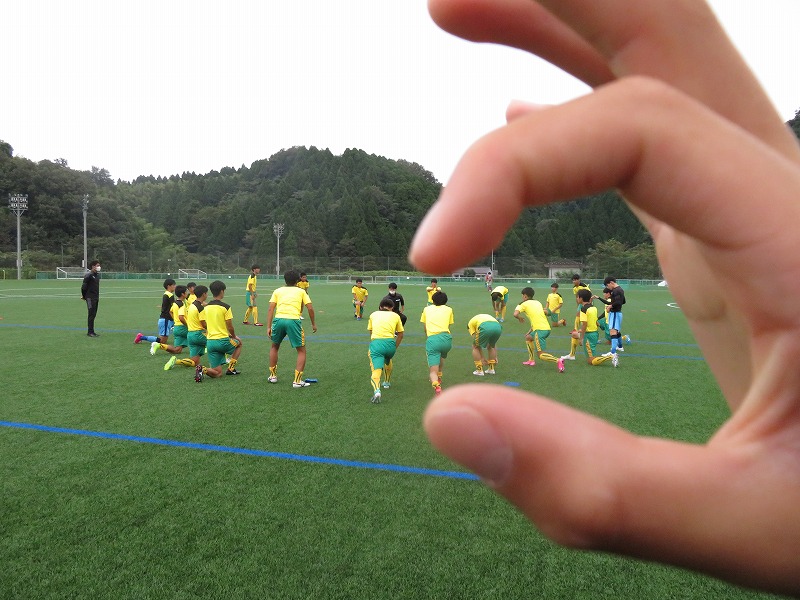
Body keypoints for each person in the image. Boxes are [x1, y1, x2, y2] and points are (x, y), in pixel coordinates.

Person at [411, 0, 800, 594]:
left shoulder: (576, 300)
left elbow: (540, 312)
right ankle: (594, 350)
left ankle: (595, 351)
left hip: (551, 326)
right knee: (584, 336)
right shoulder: (577, 298)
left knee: (587, 337)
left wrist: (567, 320)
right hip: (559, 324)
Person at [267, 269, 317, 388]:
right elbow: (310, 308)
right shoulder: (301, 291)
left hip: (278, 320)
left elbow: (271, 309)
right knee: (301, 351)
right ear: (297, 281)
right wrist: (313, 324)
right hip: (293, 321)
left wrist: (268, 326)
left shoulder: (277, 291)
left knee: (274, 347)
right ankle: (297, 381)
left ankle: (273, 376)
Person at [197, 279, 242, 379]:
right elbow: (230, 326)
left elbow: (203, 323)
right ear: (222, 291)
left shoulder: (205, 307)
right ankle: (231, 369)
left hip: (210, 343)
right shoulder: (226, 307)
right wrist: (234, 336)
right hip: (222, 341)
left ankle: (203, 369)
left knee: (217, 373)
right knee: (239, 344)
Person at [513, 287, 564, 372]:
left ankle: (558, 360)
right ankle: (531, 360)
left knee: (541, 355)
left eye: (522, 295)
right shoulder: (538, 302)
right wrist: (529, 331)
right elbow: (537, 318)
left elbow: (515, 314)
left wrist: (519, 318)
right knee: (528, 337)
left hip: (540, 331)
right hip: (546, 329)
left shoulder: (522, 304)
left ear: (525, 296)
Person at [367, 297, 404, 403]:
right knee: (388, 359)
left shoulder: (373, 314)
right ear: (392, 308)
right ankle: (387, 382)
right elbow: (401, 334)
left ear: (380, 307)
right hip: (390, 345)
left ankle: (377, 391)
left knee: (376, 370)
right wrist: (394, 347)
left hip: (377, 344)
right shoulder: (396, 316)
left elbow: (371, 331)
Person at [152, 285, 197, 370]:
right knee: (199, 337)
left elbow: (170, 311)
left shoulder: (175, 303)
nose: (187, 293)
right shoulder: (181, 304)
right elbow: (181, 317)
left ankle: (159, 346)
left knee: (177, 350)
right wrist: (187, 325)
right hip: (182, 327)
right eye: (186, 291)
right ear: (183, 294)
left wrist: (175, 320)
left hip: (176, 327)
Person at [420, 290, 453, 395]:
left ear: (433, 300)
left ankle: (436, 384)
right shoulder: (449, 309)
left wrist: (428, 337)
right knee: (441, 357)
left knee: (432, 371)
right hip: (447, 338)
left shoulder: (426, 309)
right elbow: (448, 325)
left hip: (433, 339)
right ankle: (439, 376)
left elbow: (425, 327)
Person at [574, 288, 615, 367]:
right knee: (574, 335)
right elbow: (594, 321)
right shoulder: (593, 308)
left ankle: (610, 357)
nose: (577, 299)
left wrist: (581, 338)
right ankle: (572, 354)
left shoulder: (583, 309)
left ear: (581, 298)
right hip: (595, 333)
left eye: (577, 297)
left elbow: (584, 324)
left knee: (591, 361)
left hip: (589, 335)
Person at [133, 278, 176, 346]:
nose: (175, 286)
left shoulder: (166, 294)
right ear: (169, 286)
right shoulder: (170, 295)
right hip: (166, 319)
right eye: (173, 285)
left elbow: (167, 306)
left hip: (166, 319)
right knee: (162, 341)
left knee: (164, 339)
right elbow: (174, 307)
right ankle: (141, 337)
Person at [185, 284, 209, 382]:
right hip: (199, 334)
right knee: (217, 343)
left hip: (190, 335)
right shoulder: (200, 308)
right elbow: (203, 323)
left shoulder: (192, 305)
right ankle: (225, 361)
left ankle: (177, 361)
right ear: (204, 294)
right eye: (207, 293)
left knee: (194, 361)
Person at [80, 260, 101, 337]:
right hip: (90, 298)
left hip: (95, 297)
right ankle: (90, 332)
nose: (99, 267)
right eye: (97, 265)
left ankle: (92, 331)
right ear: (93, 266)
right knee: (91, 314)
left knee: (94, 314)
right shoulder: (88, 275)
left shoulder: (97, 275)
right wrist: (84, 296)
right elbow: (83, 287)